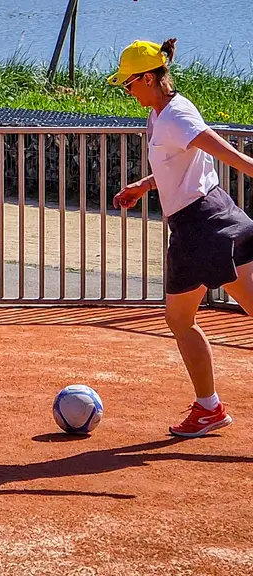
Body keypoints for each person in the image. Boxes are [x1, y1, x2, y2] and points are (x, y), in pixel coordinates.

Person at [111, 37, 253, 437]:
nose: (127, 91)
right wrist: (144, 185)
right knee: (185, 317)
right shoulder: (162, 113)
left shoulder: (175, 117)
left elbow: (228, 154)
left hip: (204, 227)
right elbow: (182, 167)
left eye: (129, 84)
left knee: (183, 318)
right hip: (209, 222)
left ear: (148, 78)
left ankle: (209, 408)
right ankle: (209, 408)